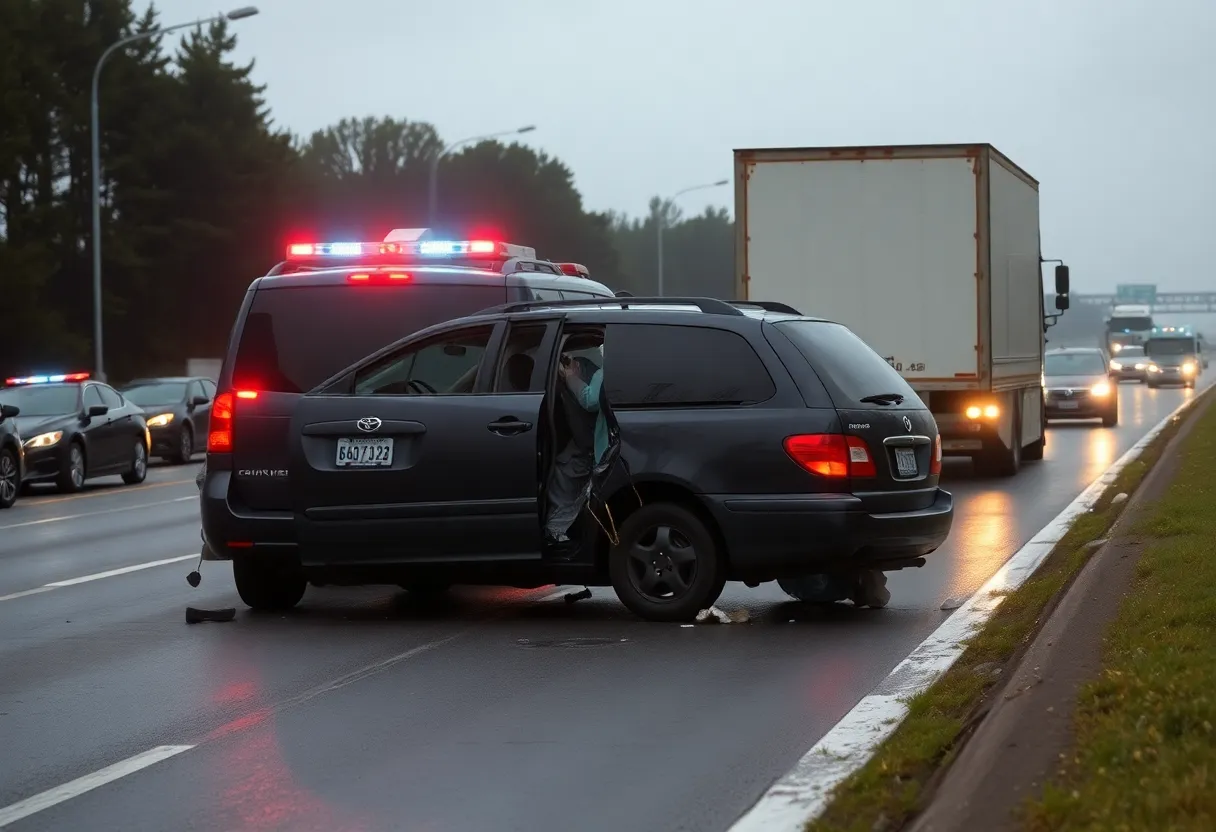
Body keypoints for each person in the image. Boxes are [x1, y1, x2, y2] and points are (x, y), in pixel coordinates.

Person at [543, 345, 608, 550]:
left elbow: (590, 401)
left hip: (601, 443)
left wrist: (571, 377)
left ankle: (556, 531)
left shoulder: (602, 373)